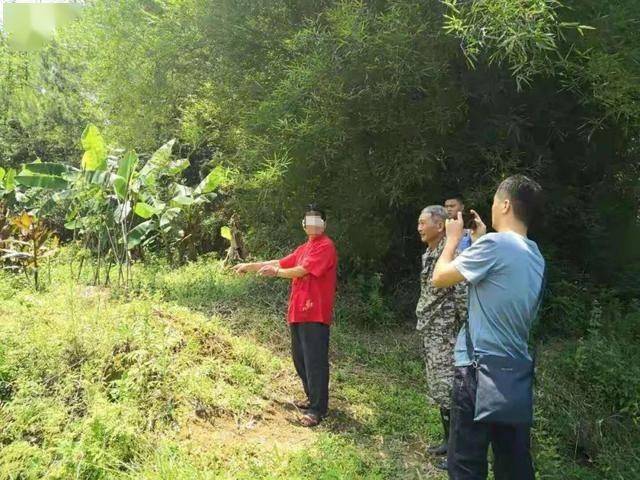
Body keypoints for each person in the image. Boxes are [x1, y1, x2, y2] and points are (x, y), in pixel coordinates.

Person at [432, 175, 545, 480]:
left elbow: (440, 277)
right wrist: (480, 240)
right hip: (514, 376)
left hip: (476, 372)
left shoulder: (496, 245)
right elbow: (497, 286)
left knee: (466, 463)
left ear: (506, 204)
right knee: (513, 463)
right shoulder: (535, 256)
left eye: (495, 201)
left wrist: (453, 239)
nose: (493, 207)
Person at [232, 204, 338, 427]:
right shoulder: (303, 248)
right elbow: (279, 262)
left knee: (315, 361)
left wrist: (277, 273)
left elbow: (301, 271)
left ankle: (318, 409)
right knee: (300, 359)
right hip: (298, 312)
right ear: (303, 224)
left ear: (324, 224)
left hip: (315, 312)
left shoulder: (325, 246)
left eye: (317, 220)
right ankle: (312, 398)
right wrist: (249, 266)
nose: (312, 224)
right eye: (309, 220)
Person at [416, 205, 467, 471]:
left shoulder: (452, 252)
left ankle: (457, 453)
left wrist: (463, 329)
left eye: (424, 223)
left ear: (440, 224)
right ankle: (448, 442)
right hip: (431, 330)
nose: (419, 227)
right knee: (439, 390)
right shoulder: (430, 253)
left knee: (448, 391)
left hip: (445, 334)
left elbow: (461, 295)